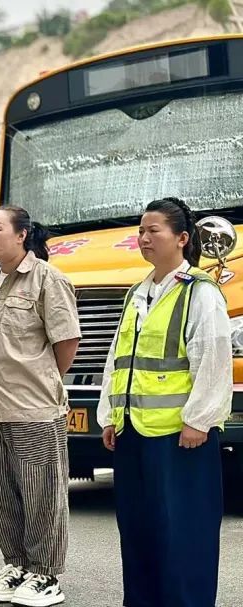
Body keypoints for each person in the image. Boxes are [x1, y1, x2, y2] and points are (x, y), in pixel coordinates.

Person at [98, 197, 231, 607]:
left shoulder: (200, 292)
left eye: (153, 230)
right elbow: (116, 359)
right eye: (141, 230)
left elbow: (213, 357)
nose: (144, 237)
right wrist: (109, 415)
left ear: (182, 238)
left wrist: (200, 420)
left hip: (179, 436)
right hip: (133, 430)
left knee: (183, 531)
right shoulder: (137, 292)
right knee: (139, 531)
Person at [0, 206, 80, 607]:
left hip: (33, 406)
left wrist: (41, 379)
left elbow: (66, 342)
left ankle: (46, 575)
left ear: (22, 235)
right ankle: (16, 564)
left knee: (41, 493)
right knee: (0, 491)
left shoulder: (48, 279)